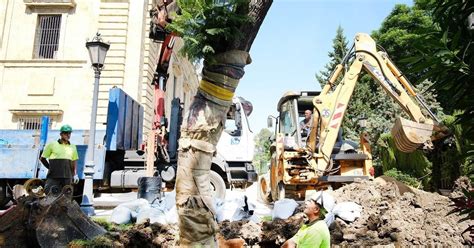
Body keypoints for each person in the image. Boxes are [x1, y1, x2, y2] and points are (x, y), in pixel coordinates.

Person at [40, 124, 79, 194]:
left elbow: (74, 162)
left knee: (67, 196)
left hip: (67, 177)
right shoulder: (52, 145)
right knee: (49, 194)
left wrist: (75, 174)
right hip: (53, 176)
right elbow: (42, 159)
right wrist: (50, 167)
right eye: (65, 133)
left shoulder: (73, 147)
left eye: (69, 133)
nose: (68, 135)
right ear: (61, 134)